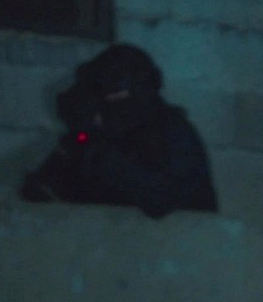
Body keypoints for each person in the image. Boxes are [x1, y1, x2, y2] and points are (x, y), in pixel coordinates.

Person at [21, 44, 218, 218]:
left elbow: (161, 198)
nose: (110, 101)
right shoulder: (94, 136)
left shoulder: (172, 132)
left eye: (116, 92)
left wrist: (98, 150)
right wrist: (85, 138)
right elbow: (40, 191)